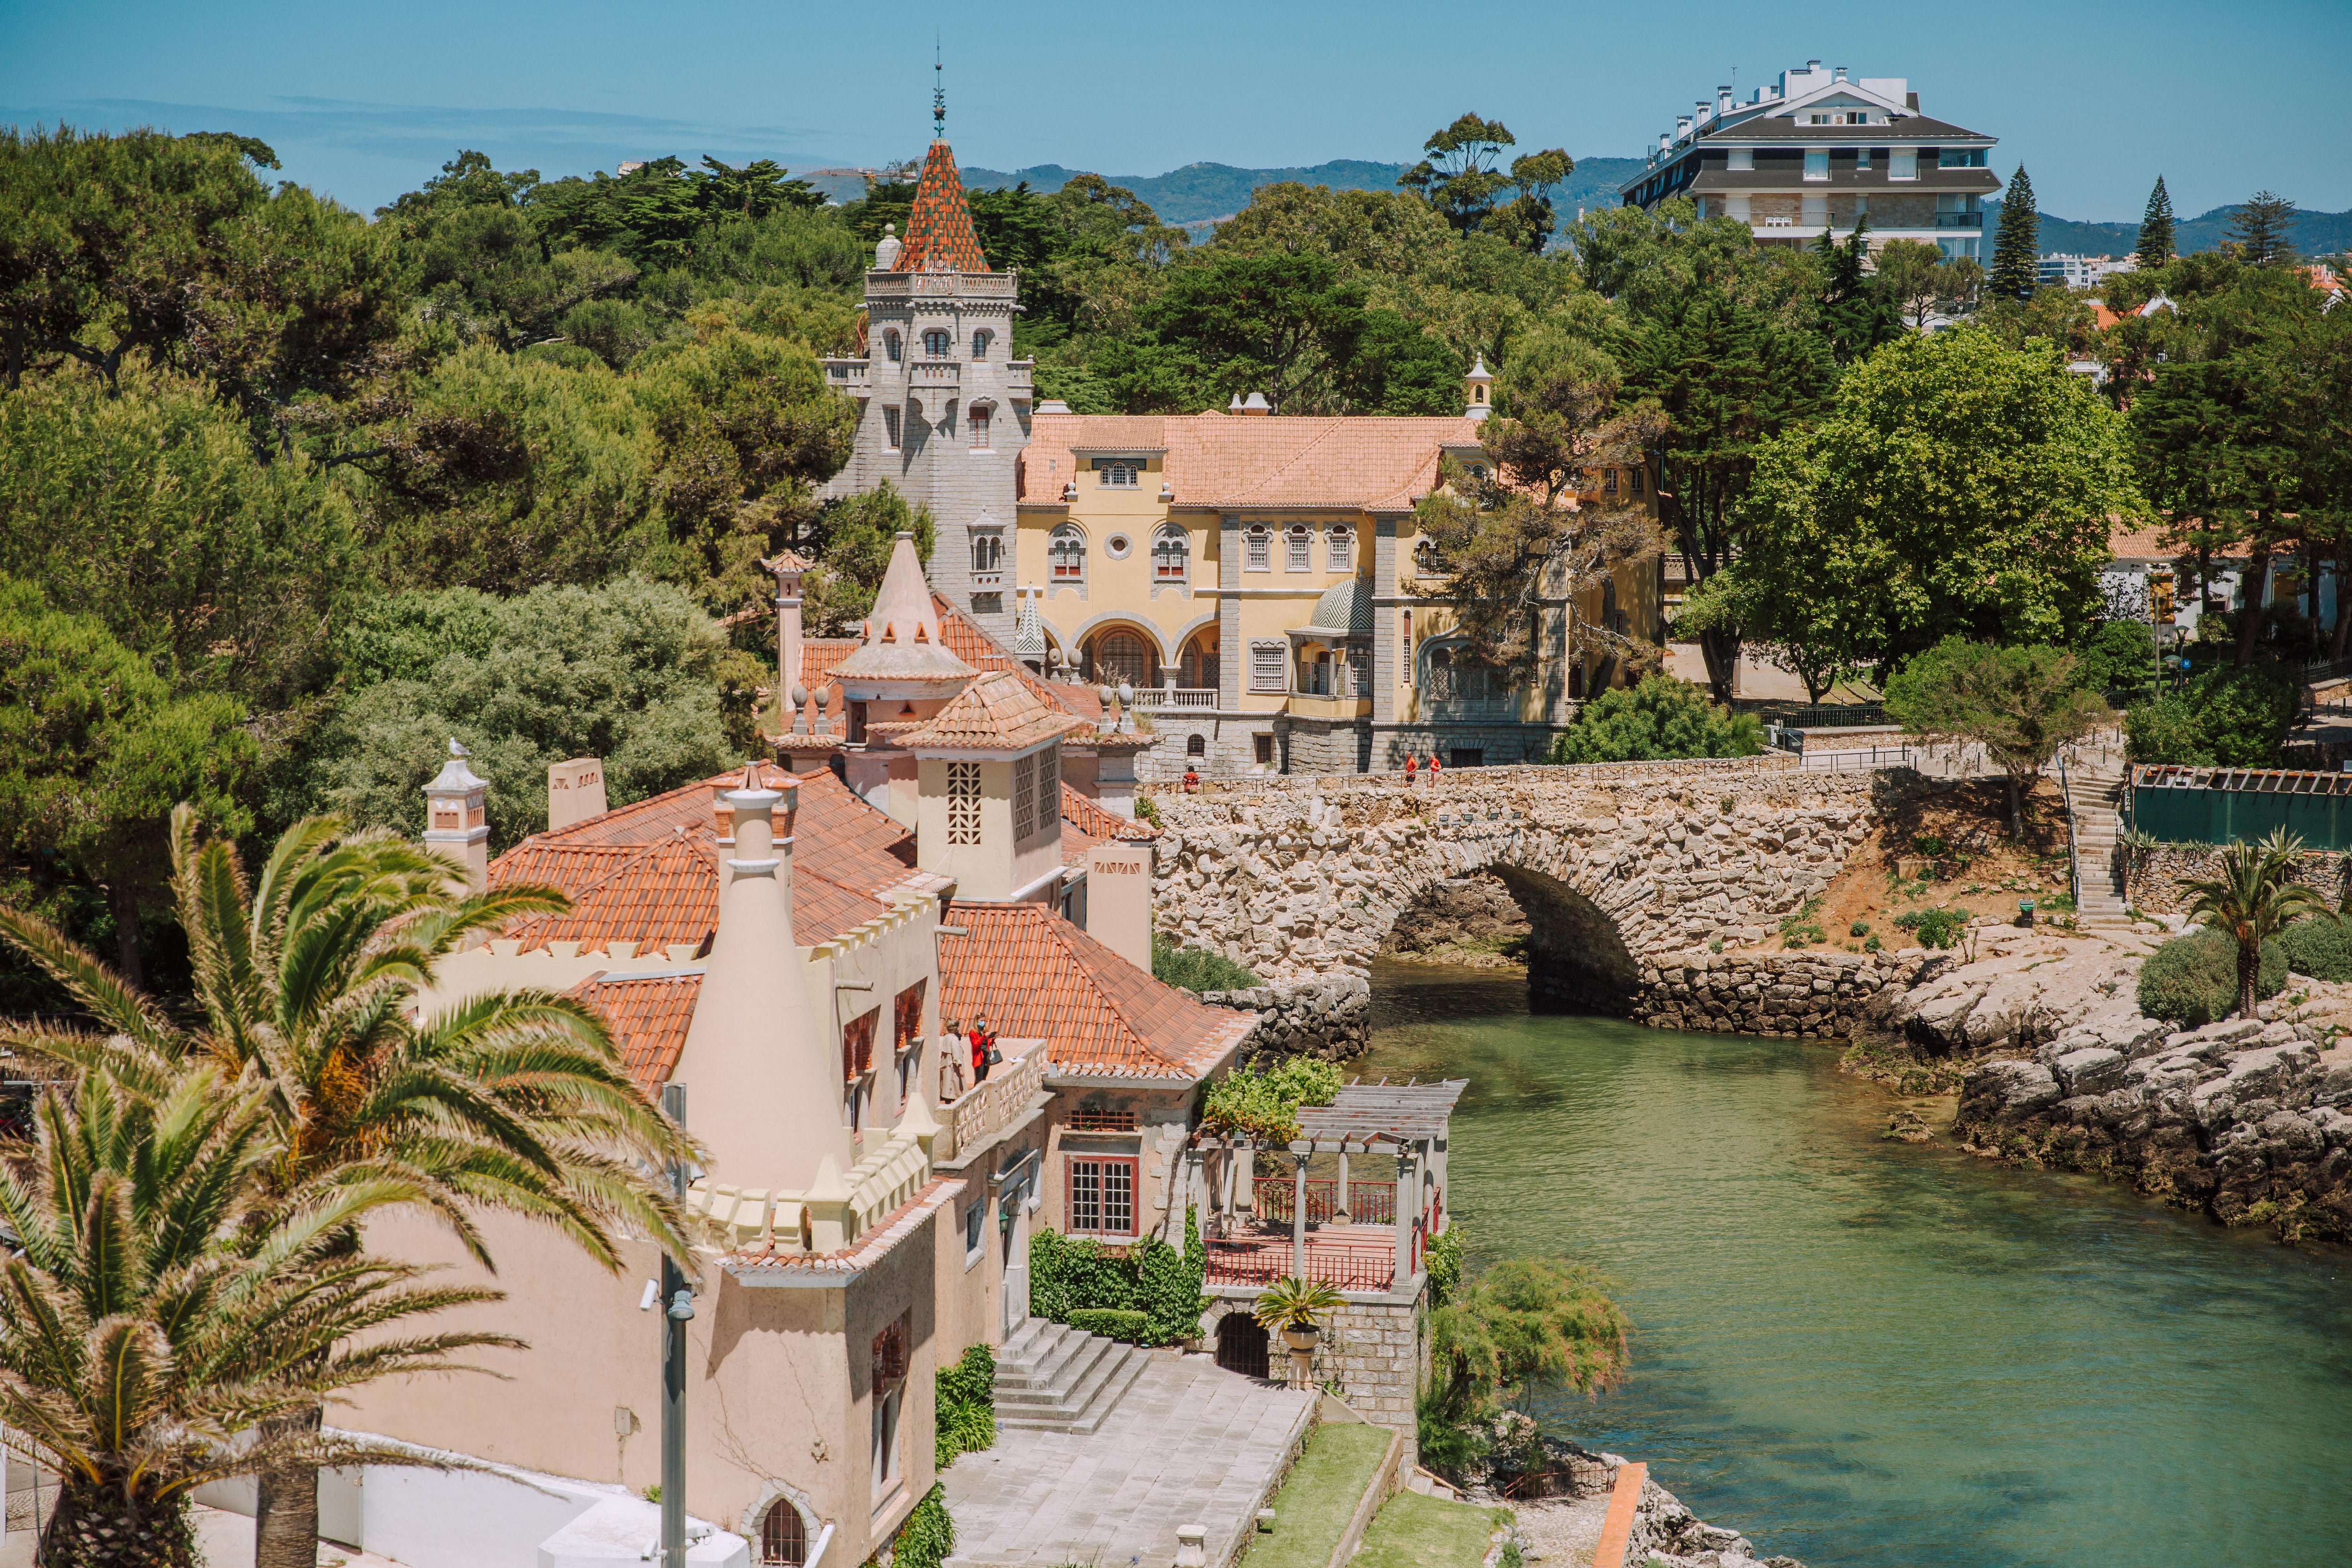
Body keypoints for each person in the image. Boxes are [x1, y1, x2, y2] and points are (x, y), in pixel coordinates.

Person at [939, 1017, 968, 1100]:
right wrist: (961, 1070)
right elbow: (956, 1055)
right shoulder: (954, 1039)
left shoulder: (946, 1037)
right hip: (953, 1068)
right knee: (955, 1089)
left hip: (946, 1066)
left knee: (947, 1089)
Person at [969, 1015, 997, 1085]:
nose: (983, 1022)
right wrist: (984, 1036)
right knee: (979, 1079)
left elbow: (986, 1044)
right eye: (981, 1021)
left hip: (986, 1056)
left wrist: (992, 1039)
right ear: (977, 1021)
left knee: (984, 1078)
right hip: (979, 1057)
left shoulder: (985, 1031)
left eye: (984, 1021)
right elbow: (975, 1045)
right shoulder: (973, 1032)